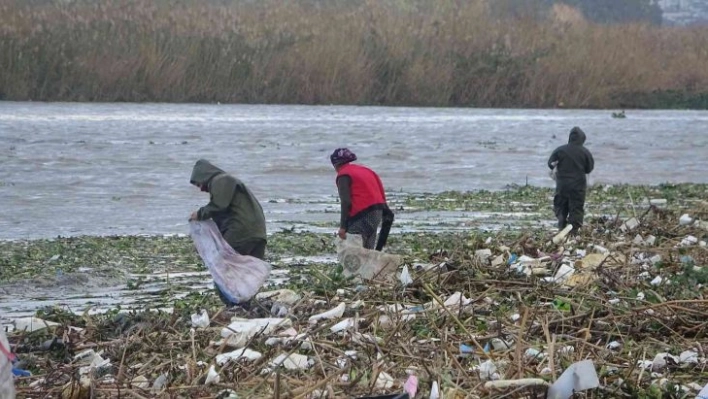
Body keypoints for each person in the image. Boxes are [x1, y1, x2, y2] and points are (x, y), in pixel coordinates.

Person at [189, 159, 267, 259]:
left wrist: (199, 214)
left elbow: (219, 205)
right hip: (257, 232)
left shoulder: (220, 180)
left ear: (203, 177)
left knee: (226, 262)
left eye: (199, 184)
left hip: (241, 231)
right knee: (252, 270)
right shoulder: (226, 181)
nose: (200, 189)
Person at [330, 148, 392, 250]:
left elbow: (346, 202)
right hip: (377, 212)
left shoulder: (343, 175)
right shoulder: (366, 170)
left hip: (362, 214)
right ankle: (372, 265)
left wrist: (343, 227)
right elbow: (380, 192)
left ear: (335, 165)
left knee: (353, 250)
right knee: (368, 249)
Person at [547, 127, 595, 234]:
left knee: (561, 206)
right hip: (578, 186)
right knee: (576, 208)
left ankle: (561, 226)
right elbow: (589, 169)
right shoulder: (585, 152)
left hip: (562, 185)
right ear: (582, 139)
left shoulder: (560, 150)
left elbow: (550, 164)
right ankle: (574, 231)